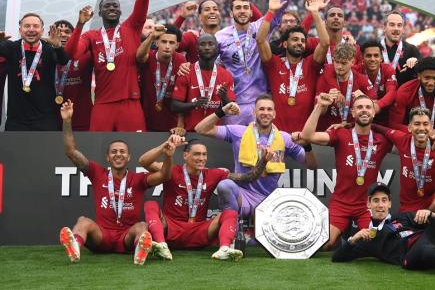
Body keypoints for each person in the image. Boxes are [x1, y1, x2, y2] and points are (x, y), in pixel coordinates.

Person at [58, 100, 174, 264]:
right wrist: (67, 121)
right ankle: (75, 247)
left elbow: (164, 176)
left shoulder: (138, 179)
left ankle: (140, 252)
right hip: (102, 236)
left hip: (127, 236)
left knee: (141, 226)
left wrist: (168, 155)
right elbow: (71, 151)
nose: (118, 154)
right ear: (108, 157)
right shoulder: (97, 173)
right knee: (83, 221)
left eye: (122, 152)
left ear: (128, 157)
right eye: (114, 152)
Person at [139, 131, 271, 261]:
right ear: (185, 155)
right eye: (196, 154)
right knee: (151, 205)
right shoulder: (171, 170)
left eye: (204, 154)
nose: (201, 158)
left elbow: (248, 177)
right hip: (171, 229)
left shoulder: (213, 174)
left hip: (200, 231)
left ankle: (224, 249)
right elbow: (144, 162)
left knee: (230, 212)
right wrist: (164, 146)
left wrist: (264, 160)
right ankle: (161, 245)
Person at [194, 94, 317, 231]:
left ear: (274, 114)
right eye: (261, 109)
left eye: (269, 109)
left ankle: (256, 232)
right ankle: (232, 230)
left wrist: (307, 145)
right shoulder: (238, 132)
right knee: (225, 186)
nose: (265, 113)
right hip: (243, 195)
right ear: (254, 112)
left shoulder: (284, 139)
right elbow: (201, 129)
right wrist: (222, 111)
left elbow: (311, 165)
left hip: (269, 199)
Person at [64, 0, 149, 131]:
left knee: (136, 154)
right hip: (102, 104)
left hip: (130, 103)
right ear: (100, 12)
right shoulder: (91, 36)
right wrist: (79, 25)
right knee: (99, 154)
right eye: (106, 6)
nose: (112, 8)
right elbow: (72, 53)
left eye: (115, 6)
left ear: (120, 11)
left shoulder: (132, 27)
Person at [215, 0, 303, 125]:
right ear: (231, 13)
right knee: (237, 150)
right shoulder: (221, 37)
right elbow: (213, 67)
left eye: (246, 8)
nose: (242, 11)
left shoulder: (259, 28)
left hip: (261, 104)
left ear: (251, 11)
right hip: (234, 105)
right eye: (238, 8)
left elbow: (280, 4)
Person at [301, 93, 393, 249]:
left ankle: (349, 238)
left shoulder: (382, 140)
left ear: (373, 112)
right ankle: (341, 237)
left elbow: (410, 143)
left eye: (368, 107)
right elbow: (307, 135)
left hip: (366, 205)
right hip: (341, 203)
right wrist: (319, 106)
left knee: (372, 243)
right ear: (353, 112)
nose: (364, 110)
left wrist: (434, 136)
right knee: (325, 243)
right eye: (360, 107)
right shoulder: (341, 134)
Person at [257, 0, 329, 132]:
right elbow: (260, 40)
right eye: (295, 39)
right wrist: (271, 12)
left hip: (304, 137)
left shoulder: (310, 64)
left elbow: (325, 43)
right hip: (276, 136)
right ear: (285, 44)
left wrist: (315, 12)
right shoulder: (274, 64)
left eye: (302, 41)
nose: (299, 43)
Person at [0, 13, 68, 130]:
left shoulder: (49, 49)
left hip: (46, 120)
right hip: (16, 121)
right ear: (20, 30)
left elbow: (63, 61)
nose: (31, 29)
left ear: (42, 30)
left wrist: (58, 47)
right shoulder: (10, 47)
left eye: (35, 26)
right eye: (27, 26)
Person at [170, 34, 236, 131]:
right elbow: (174, 106)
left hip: (216, 133)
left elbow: (231, 109)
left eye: (210, 44)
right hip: (191, 132)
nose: (207, 47)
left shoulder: (226, 75)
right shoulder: (186, 72)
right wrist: (194, 104)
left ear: (217, 48)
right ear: (197, 48)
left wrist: (225, 97)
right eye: (202, 44)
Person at [388, 57, 435, 137]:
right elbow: (394, 125)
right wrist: (417, 131)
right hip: (410, 135)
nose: (431, 82)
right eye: (427, 78)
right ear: (419, 76)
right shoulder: (404, 91)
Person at [136, 24, 186, 133]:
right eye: (164, 42)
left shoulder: (181, 61)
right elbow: (139, 57)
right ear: (157, 42)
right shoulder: (148, 56)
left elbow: (185, 95)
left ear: (177, 45)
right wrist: (151, 37)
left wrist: (180, 124)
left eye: (171, 43)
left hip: (172, 125)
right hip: (145, 122)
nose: (167, 46)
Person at [315, 42, 376, 131]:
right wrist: (324, 104)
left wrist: (365, 99)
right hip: (327, 132)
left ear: (352, 62)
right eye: (336, 62)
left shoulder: (362, 80)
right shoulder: (323, 79)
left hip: (352, 131)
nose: (339, 66)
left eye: (344, 63)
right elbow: (319, 113)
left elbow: (375, 108)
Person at [53, 19, 93, 131]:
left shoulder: (86, 55)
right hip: (52, 121)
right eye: (58, 31)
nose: (62, 34)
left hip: (82, 119)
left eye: (67, 31)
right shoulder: (46, 55)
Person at [354, 40, 398, 123]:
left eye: (376, 55)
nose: (372, 59)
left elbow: (392, 92)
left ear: (381, 58)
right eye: (368, 56)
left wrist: (378, 105)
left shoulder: (388, 69)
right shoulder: (355, 71)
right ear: (362, 58)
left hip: (383, 112)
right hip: (362, 113)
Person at [379, 10, 422, 86]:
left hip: (403, 96)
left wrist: (417, 62)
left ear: (403, 29)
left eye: (399, 25)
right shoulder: (375, 49)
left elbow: (425, 70)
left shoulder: (411, 50)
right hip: (379, 95)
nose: (396, 28)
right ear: (384, 28)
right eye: (392, 25)